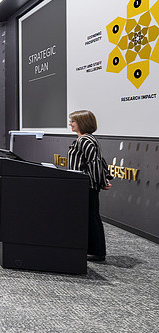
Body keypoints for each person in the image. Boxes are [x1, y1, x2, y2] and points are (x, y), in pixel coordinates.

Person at [67, 110, 113, 262]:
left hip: (86, 186)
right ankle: (92, 249)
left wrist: (100, 182)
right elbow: (99, 161)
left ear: (82, 123)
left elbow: (94, 164)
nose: (70, 124)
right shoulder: (86, 140)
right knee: (90, 217)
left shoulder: (86, 141)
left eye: (73, 121)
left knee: (91, 217)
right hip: (83, 186)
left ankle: (97, 251)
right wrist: (104, 178)